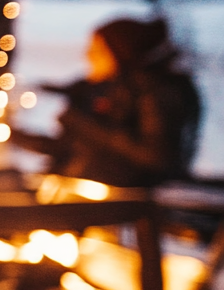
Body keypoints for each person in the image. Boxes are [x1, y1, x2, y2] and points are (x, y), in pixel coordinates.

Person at [10, 17, 201, 187]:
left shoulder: (156, 92)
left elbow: (157, 157)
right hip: (88, 192)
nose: (88, 57)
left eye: (97, 50)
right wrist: (13, 135)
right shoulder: (106, 92)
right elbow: (68, 148)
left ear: (120, 52)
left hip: (127, 204)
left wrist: (83, 125)